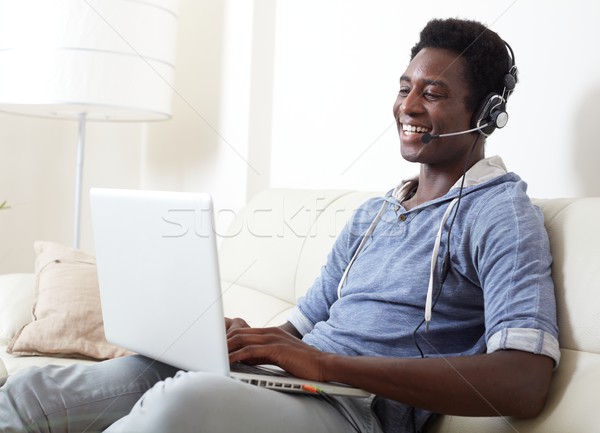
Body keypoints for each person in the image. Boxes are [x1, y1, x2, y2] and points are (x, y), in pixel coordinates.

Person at [0, 17, 559, 433]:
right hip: (294, 385)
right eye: (404, 87)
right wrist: (236, 341)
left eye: (433, 93)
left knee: (179, 405)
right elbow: (302, 331)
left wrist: (321, 363)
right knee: (35, 390)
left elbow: (524, 381)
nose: (409, 105)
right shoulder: (375, 213)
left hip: (352, 411)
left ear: (485, 114)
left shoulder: (501, 215)